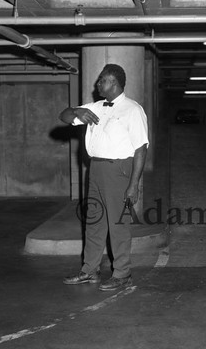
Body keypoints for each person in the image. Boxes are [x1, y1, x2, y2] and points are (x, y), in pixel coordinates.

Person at [59, 64, 149, 291]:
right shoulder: (95, 107)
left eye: (102, 80)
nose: (97, 84)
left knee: (118, 224)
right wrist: (77, 111)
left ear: (114, 82)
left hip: (119, 170)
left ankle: (122, 273)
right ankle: (90, 270)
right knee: (94, 222)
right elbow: (64, 116)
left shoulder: (132, 110)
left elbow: (141, 149)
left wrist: (133, 185)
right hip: (96, 169)